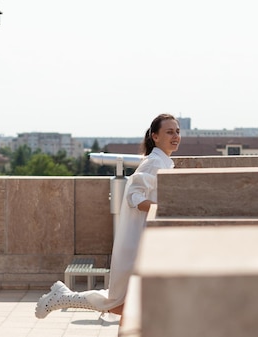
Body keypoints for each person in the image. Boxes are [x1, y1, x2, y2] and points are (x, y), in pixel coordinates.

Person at [35, 113, 181, 319]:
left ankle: (66, 297)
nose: (175, 136)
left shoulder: (163, 162)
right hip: (140, 244)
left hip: (149, 243)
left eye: (177, 131)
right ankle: (65, 297)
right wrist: (164, 209)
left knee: (129, 305)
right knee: (125, 304)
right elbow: (134, 197)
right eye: (169, 132)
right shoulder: (154, 163)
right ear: (155, 136)